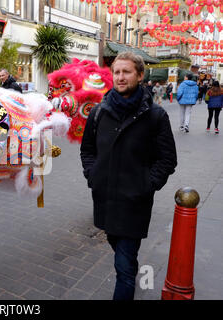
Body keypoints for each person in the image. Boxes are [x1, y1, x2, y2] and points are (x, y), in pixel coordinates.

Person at [80, 52, 177, 300]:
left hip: (134, 203)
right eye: (117, 72)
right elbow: (87, 150)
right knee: (118, 249)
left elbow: (167, 160)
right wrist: (93, 175)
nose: (120, 77)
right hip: (105, 199)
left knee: (124, 266)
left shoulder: (155, 116)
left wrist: (147, 185)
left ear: (140, 75)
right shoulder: (99, 111)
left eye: (127, 72)